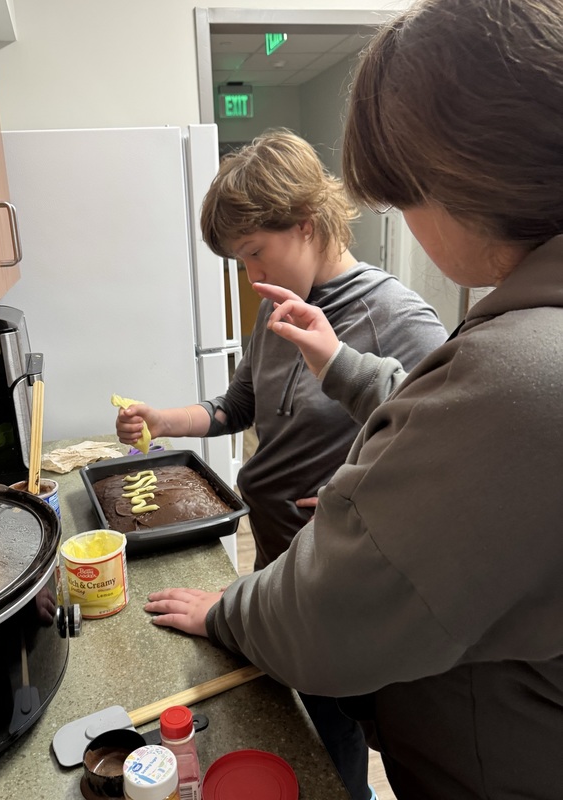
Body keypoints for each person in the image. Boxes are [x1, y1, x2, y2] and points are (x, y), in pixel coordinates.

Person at [141, 1, 563, 798]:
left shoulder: (490, 356)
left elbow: (338, 610)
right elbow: (405, 415)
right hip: (292, 575)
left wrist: (239, 604)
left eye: (405, 196)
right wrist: (335, 364)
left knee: (330, 757)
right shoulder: (292, 318)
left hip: (458, 728)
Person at [116, 129, 447, 800]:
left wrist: (364, 497)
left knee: (341, 730)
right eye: (241, 263)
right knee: (306, 714)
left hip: (339, 581)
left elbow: (439, 461)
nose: (252, 277)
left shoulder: (399, 321)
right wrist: (163, 420)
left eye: (253, 254)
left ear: (305, 222)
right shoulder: (279, 310)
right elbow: (239, 404)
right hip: (277, 559)